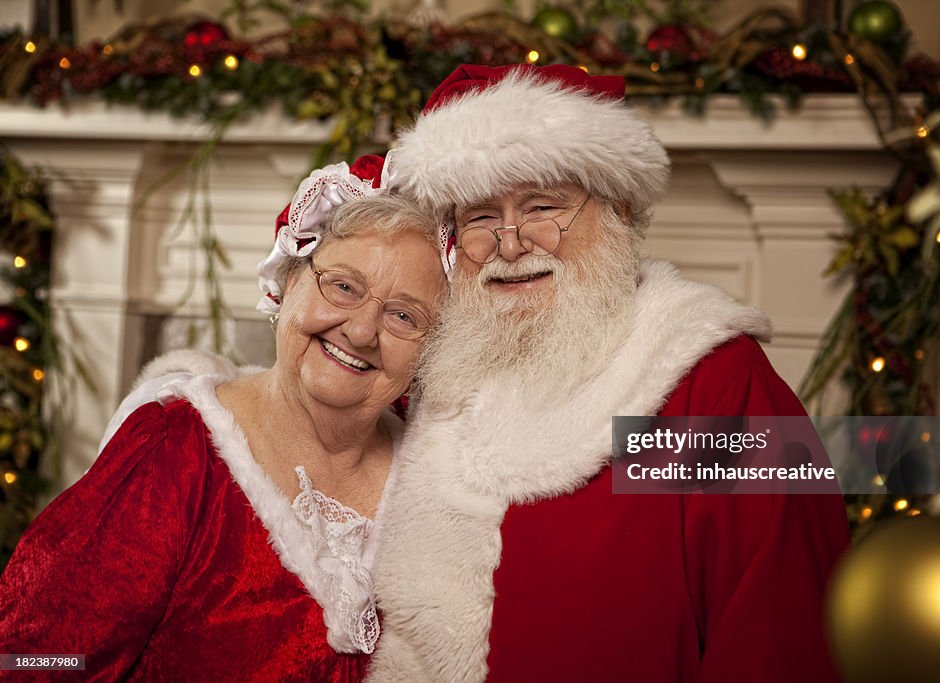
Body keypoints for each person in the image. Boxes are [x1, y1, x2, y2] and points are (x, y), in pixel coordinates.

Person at [366, 65, 851, 682]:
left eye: (544, 206)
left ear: (618, 209)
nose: (510, 243)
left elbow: (780, 632)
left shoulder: (707, 387)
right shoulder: (439, 367)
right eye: (482, 217)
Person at [0, 155, 445, 681]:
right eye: (343, 286)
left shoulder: (440, 484)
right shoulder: (172, 453)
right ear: (287, 283)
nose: (363, 330)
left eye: (404, 316)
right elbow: (31, 660)